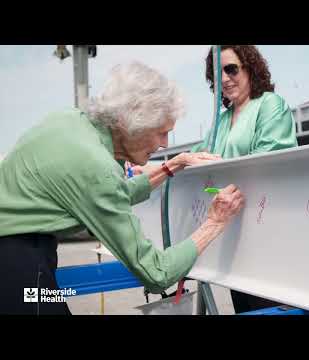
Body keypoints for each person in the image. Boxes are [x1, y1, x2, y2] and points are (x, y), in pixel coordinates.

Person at [0, 62, 244, 315]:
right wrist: (214, 222)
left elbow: (107, 194)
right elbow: (156, 273)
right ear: (129, 122)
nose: (164, 145)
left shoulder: (71, 121)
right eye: (161, 133)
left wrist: (171, 165)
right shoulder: (95, 166)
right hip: (18, 267)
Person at [191, 45, 298, 314]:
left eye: (231, 69)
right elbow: (194, 160)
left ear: (250, 68)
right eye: (217, 74)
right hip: (234, 239)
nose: (224, 79)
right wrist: (146, 168)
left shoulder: (270, 105)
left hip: (269, 237)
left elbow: (267, 161)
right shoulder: (220, 121)